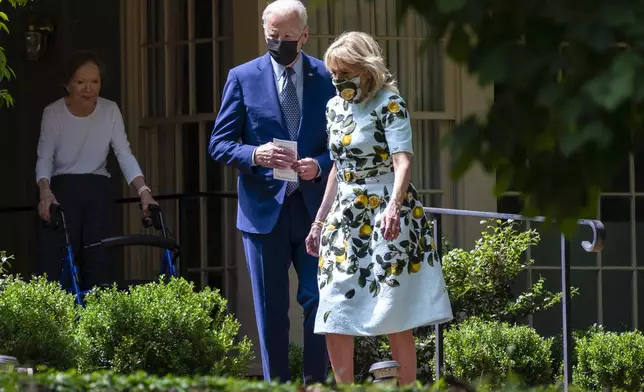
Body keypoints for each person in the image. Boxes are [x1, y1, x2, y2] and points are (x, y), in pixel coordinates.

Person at [305, 31, 454, 385]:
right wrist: (319, 221)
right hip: (346, 218)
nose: (339, 80)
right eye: (334, 73)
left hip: (388, 214)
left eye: (345, 72)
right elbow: (338, 171)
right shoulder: (333, 108)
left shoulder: (390, 102)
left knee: (392, 310)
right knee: (334, 307)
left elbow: (403, 163)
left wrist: (393, 207)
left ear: (365, 69)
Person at [208, 0, 335, 384]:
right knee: (271, 310)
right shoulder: (243, 77)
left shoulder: (327, 77)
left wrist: (321, 164)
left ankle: (315, 383)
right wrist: (255, 153)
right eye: (272, 37)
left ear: (305, 36)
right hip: (264, 212)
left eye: (287, 37)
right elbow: (219, 143)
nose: (279, 42)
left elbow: (345, 145)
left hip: (315, 210)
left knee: (319, 303)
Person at [35, 51, 158, 291]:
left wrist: (143, 190)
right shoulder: (53, 113)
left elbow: (124, 153)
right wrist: (45, 191)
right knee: (57, 263)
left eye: (94, 82)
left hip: (98, 190)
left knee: (99, 263)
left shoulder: (110, 110)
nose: (87, 88)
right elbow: (45, 157)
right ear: (67, 83)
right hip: (62, 191)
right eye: (80, 82)